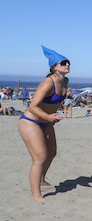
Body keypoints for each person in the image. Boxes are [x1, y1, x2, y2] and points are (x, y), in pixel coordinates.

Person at [17, 46, 70, 201]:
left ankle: (41, 179)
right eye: (63, 63)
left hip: (46, 122)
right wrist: (48, 116)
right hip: (30, 122)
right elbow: (32, 106)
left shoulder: (65, 81)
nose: (67, 65)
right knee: (39, 157)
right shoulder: (48, 83)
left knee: (51, 153)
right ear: (54, 67)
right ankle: (36, 195)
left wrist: (50, 117)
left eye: (68, 62)